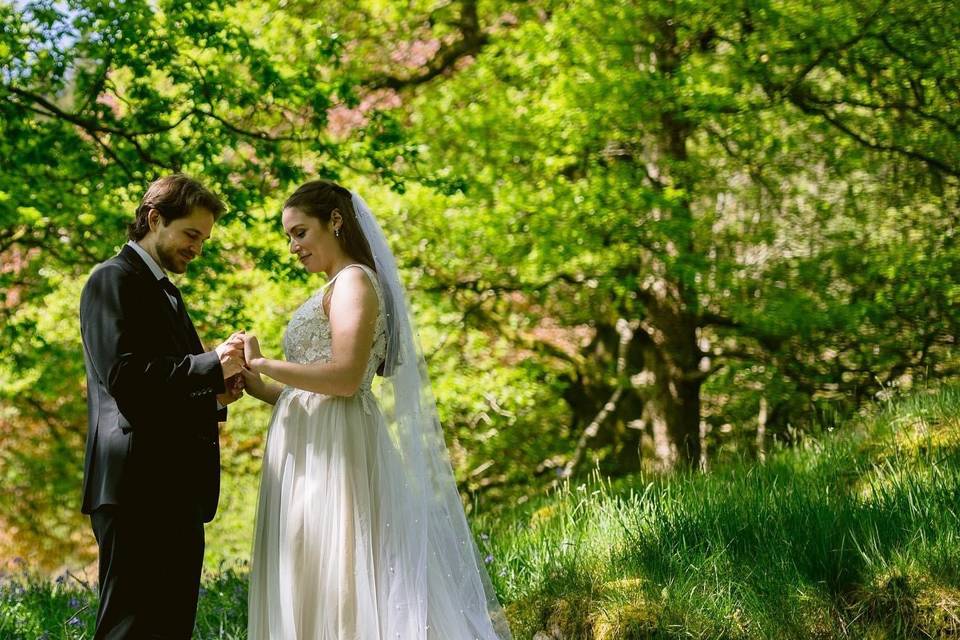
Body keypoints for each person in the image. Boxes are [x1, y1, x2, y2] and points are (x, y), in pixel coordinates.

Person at [241, 180, 512, 639]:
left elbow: (346, 377)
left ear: (335, 222)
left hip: (336, 450)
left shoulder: (354, 281)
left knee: (338, 565)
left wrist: (265, 361)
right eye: (288, 237)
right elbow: (314, 392)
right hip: (311, 445)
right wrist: (259, 385)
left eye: (300, 233)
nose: (293, 247)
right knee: (310, 561)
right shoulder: (336, 285)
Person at [79, 174, 245, 639]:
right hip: (135, 488)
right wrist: (212, 362)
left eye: (204, 239)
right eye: (191, 234)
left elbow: (163, 387)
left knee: (171, 628)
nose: (197, 248)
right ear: (154, 219)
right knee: (128, 630)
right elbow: (124, 380)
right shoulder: (110, 280)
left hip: (176, 489)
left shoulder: (165, 291)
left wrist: (213, 395)